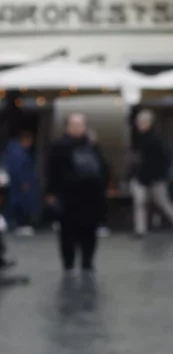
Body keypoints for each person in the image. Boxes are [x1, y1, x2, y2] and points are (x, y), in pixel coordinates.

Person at [45, 113, 109, 273]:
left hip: (91, 197)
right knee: (67, 232)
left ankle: (87, 261)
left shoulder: (92, 145)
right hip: (68, 196)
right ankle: (69, 263)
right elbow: (51, 170)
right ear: (67, 127)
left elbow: (103, 168)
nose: (77, 128)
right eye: (73, 125)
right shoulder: (59, 146)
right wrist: (51, 191)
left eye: (80, 125)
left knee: (89, 232)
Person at [130, 109, 173, 237]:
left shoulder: (151, 139)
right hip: (151, 177)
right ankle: (141, 229)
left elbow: (153, 160)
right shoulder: (152, 138)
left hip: (150, 177)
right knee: (145, 203)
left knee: (154, 202)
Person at [2, 129, 38, 235]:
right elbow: (18, 169)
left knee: (13, 204)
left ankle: (14, 224)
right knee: (18, 204)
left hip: (13, 183)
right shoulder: (18, 152)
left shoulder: (12, 150)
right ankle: (19, 225)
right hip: (18, 184)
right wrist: (23, 182)